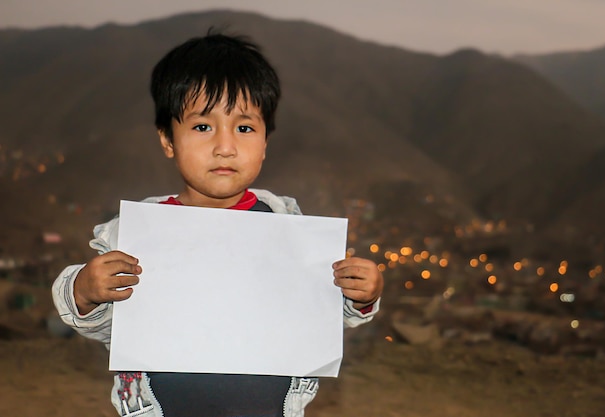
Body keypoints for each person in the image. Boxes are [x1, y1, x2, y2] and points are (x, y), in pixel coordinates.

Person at [52, 29, 383, 417]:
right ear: (167, 140)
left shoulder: (288, 228)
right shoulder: (138, 234)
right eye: (202, 126)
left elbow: (321, 317)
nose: (225, 146)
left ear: (265, 142)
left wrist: (360, 296)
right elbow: (105, 325)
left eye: (244, 128)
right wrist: (85, 291)